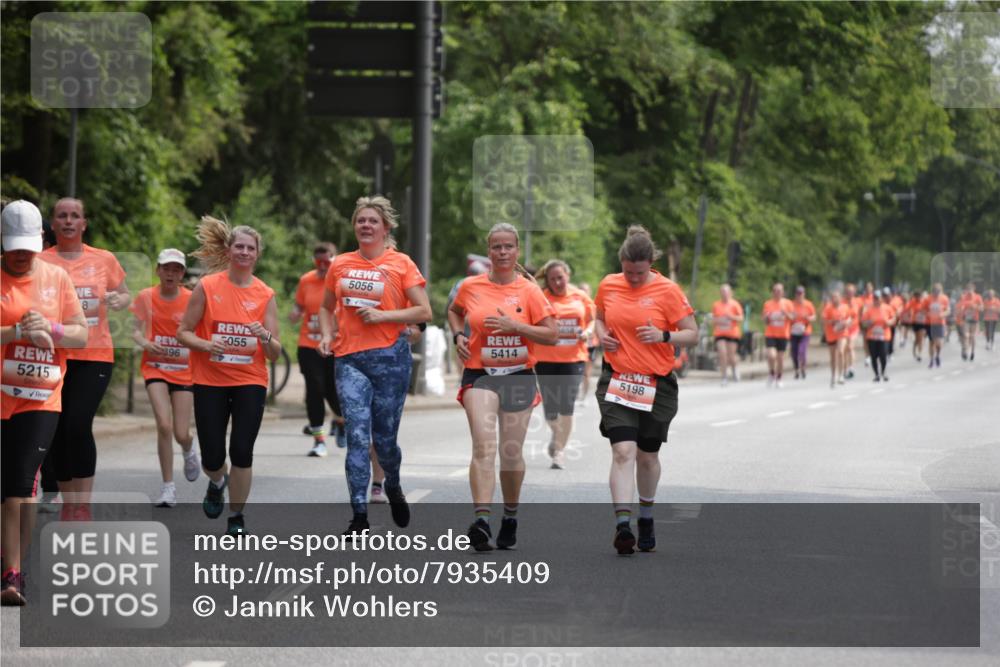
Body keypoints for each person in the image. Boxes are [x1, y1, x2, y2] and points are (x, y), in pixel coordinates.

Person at [318, 196, 431, 536]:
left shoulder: (401, 263)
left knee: (384, 442)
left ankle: (392, 484)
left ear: (385, 228)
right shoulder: (341, 264)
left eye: (372, 221)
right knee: (356, 437)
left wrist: (385, 316)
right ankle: (359, 515)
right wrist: (327, 335)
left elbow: (424, 311)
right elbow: (325, 307)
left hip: (390, 360)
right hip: (350, 360)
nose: (365, 225)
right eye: (360, 220)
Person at [448, 223, 556, 550]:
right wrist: (458, 335)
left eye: (508, 246)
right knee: (483, 447)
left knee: (510, 453)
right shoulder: (471, 286)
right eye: (497, 246)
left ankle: (510, 515)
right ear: (489, 251)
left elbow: (551, 334)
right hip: (479, 374)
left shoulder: (530, 291)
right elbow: (454, 311)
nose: (503, 252)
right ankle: (482, 521)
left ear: (517, 250)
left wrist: (516, 326)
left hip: (519, 375)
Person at [1, 200, 88, 605]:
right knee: (6, 487)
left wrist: (51, 328)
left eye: (28, 247)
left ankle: (13, 573)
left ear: (40, 239)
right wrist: (16, 332)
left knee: (20, 484)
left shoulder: (56, 277)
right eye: (13, 247)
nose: (21, 255)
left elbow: (81, 335)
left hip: (40, 398)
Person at [594, 226, 696, 555]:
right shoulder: (609, 284)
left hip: (657, 383)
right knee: (623, 451)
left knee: (647, 457)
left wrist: (664, 336)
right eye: (628, 272)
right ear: (621, 264)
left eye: (639, 273)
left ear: (650, 263)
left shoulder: (668, 290)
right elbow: (599, 317)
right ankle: (623, 525)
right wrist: (602, 335)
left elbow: (692, 333)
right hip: (618, 379)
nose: (634, 279)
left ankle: (647, 516)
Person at [177, 216, 281, 536]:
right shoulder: (208, 286)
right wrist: (207, 344)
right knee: (212, 457)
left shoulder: (265, 294)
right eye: (240, 247)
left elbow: (275, 353)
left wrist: (265, 336)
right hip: (210, 380)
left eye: (250, 248)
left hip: (250, 380)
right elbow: (183, 332)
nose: (245, 252)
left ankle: (236, 516)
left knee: (242, 451)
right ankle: (217, 481)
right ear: (229, 250)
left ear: (257, 254)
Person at [38, 197, 131, 520]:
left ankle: (83, 505)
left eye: (74, 216)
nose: (68, 221)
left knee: (78, 423)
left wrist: (118, 300)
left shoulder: (103, 259)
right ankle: (69, 503)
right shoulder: (41, 261)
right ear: (53, 224)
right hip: (53, 355)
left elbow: (124, 293)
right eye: (62, 216)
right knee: (58, 429)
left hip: (95, 354)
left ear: (84, 223)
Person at [131, 249, 199, 507]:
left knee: (181, 433)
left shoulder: (191, 299)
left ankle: (188, 448)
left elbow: (201, 330)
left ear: (182, 274)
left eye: (176, 269)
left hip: (184, 370)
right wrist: (146, 343)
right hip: (155, 367)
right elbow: (134, 331)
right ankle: (168, 487)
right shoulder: (145, 297)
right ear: (158, 270)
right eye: (166, 268)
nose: (171, 274)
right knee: (163, 425)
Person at [534, 259, 594, 469]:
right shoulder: (541, 297)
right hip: (545, 359)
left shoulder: (580, 296)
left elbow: (593, 319)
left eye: (560, 277)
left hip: (573, 358)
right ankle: (557, 433)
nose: (557, 282)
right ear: (547, 280)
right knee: (550, 410)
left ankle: (559, 452)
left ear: (567, 275)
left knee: (566, 406)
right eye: (552, 279)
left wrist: (588, 332)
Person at [290, 242, 345, 456]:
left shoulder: (341, 280)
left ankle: (340, 420)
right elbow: (299, 304)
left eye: (326, 261)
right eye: (318, 261)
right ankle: (319, 441)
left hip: (336, 345)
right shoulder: (306, 280)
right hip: (309, 344)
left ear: (335, 259)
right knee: (315, 390)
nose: (322, 266)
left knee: (334, 391)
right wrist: (295, 313)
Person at [762, 283, 794, 387]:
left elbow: (793, 318)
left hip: (783, 334)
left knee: (780, 358)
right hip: (770, 333)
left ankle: (779, 377)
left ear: (783, 292)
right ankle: (772, 373)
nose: (777, 293)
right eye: (775, 290)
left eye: (779, 291)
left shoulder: (788, 303)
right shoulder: (768, 304)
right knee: (771, 355)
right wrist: (767, 317)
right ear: (772, 292)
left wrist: (786, 313)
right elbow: (764, 320)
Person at [711, 284, 743, 386]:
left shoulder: (735, 304)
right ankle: (724, 376)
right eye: (722, 292)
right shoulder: (716, 305)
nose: (724, 294)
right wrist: (718, 320)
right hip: (720, 333)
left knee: (731, 356)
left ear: (730, 293)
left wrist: (731, 317)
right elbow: (713, 319)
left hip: (732, 333)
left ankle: (734, 368)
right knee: (722, 353)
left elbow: (741, 318)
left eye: (726, 292)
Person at [861, 290, 895, 382]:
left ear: (881, 299)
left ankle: (883, 372)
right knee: (874, 356)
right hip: (872, 336)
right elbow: (863, 323)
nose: (877, 300)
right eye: (875, 298)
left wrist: (889, 322)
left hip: (884, 336)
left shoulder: (887, 308)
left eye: (878, 298)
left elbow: (893, 318)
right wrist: (869, 323)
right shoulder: (869, 309)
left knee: (883, 354)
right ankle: (876, 374)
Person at [821, 290, 852, 388]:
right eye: (833, 297)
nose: (835, 299)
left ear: (840, 298)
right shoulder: (828, 308)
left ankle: (841, 375)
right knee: (833, 356)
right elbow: (823, 320)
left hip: (842, 333)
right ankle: (833, 376)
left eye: (836, 297)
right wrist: (832, 322)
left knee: (841, 351)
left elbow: (849, 318)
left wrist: (846, 323)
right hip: (831, 334)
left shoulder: (845, 307)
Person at [789, 285, 816, 380]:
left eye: (801, 293)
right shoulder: (791, 304)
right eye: (798, 293)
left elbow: (814, 317)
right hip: (794, 331)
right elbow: (788, 316)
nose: (799, 295)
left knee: (802, 350)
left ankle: (803, 367)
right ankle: (796, 369)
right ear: (795, 294)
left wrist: (808, 318)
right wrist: (792, 317)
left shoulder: (809, 304)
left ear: (804, 294)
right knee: (794, 352)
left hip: (805, 331)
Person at [955, 282, 983, 362]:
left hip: (974, 319)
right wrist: (961, 310)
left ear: (974, 289)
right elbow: (959, 308)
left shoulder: (978, 297)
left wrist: (975, 307)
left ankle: (972, 352)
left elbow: (982, 308)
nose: (969, 290)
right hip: (965, 319)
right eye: (968, 289)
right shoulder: (963, 297)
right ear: (966, 289)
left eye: (971, 289)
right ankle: (965, 351)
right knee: (966, 335)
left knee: (972, 336)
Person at [924, 283, 950, 368]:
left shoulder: (944, 298)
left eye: (938, 291)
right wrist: (928, 314)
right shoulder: (928, 298)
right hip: (930, 323)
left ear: (941, 291)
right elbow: (923, 309)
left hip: (940, 323)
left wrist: (943, 314)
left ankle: (938, 355)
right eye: (935, 291)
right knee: (931, 342)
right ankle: (931, 360)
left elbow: (948, 310)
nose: (936, 293)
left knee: (938, 342)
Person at [843, 283, 862, 379]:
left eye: (851, 292)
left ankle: (851, 368)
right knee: (845, 349)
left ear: (854, 292)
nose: (849, 293)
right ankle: (845, 368)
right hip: (844, 329)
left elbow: (861, 312)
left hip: (854, 328)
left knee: (850, 347)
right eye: (847, 292)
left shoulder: (858, 301)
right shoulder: (842, 302)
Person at [910, 289, 929, 362]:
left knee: (921, 338)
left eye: (919, 296)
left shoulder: (924, 302)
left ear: (921, 296)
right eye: (916, 296)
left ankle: (919, 353)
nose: (917, 298)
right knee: (917, 338)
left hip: (923, 322)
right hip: (915, 322)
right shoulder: (912, 302)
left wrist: (924, 312)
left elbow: (927, 310)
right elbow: (910, 310)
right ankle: (915, 350)